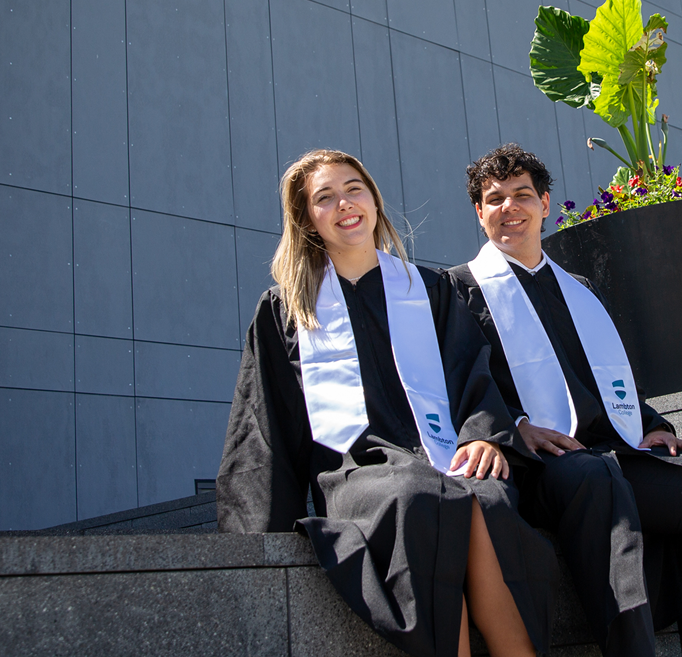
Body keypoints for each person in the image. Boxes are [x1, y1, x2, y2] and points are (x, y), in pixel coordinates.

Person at [217, 149, 557, 657]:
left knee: (484, 498)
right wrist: (257, 538)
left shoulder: (429, 289)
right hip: (356, 472)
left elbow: (470, 371)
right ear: (307, 219)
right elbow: (262, 420)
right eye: (325, 198)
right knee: (419, 494)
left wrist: (483, 435)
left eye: (354, 189)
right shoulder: (288, 308)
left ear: (373, 200)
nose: (345, 204)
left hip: (444, 457)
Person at [444, 144, 682, 657]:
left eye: (521, 195)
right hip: (541, 464)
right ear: (479, 213)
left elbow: (610, 375)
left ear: (545, 204)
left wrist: (652, 423)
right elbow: (457, 380)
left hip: (612, 453)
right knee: (593, 476)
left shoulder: (579, 289)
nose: (509, 207)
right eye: (495, 199)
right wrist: (512, 426)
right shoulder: (459, 290)